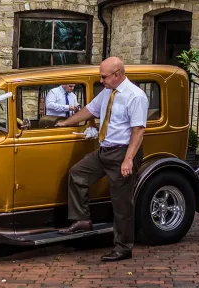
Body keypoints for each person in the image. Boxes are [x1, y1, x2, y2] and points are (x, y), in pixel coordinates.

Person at [55, 56, 148, 262]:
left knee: (122, 202)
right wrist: (65, 123)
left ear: (117, 75)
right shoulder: (107, 92)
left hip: (124, 151)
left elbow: (138, 130)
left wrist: (128, 160)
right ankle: (82, 220)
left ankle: (123, 247)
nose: (101, 79)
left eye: (104, 76)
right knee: (77, 174)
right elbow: (89, 110)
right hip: (105, 150)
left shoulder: (136, 96)